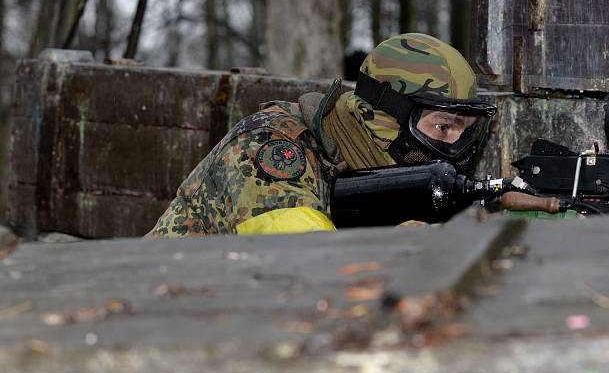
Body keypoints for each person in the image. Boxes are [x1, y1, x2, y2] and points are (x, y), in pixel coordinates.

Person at [146, 33, 497, 238]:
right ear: (383, 118)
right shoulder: (270, 150)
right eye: (442, 127)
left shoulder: (371, 158)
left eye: (464, 131)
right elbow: (314, 262)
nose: (454, 146)